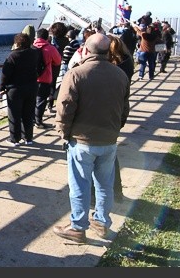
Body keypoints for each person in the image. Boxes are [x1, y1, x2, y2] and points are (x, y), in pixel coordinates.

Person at [52, 33, 130, 243]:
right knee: (104, 184)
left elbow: (64, 108)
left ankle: (78, 227)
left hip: (82, 140)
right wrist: (115, 128)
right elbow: (124, 109)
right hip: (109, 139)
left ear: (85, 50)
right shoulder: (120, 75)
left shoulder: (76, 74)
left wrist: (63, 133)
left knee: (80, 185)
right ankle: (102, 222)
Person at [0, 33, 44, 146]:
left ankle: (14, 139)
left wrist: (2, 87)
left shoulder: (13, 56)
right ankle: (28, 138)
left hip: (15, 89)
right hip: (32, 87)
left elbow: (5, 74)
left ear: (17, 43)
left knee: (14, 114)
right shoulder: (35, 53)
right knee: (28, 113)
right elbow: (41, 66)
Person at [106, 36, 134, 203]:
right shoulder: (127, 62)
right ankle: (117, 193)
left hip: (104, 114)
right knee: (110, 155)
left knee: (103, 158)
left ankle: (100, 196)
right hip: (117, 112)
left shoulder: (112, 70)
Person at [33, 28, 62, 130]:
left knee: (31, 100)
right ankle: (38, 121)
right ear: (47, 37)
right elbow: (58, 61)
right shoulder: (50, 48)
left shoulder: (31, 47)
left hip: (31, 79)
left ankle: (31, 120)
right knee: (41, 101)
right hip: (44, 78)